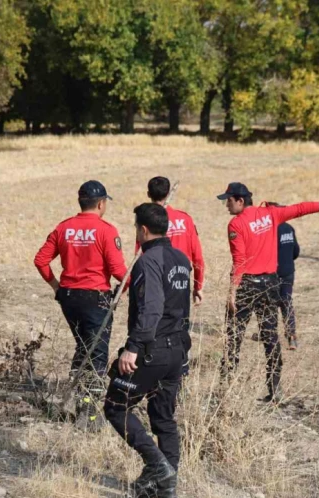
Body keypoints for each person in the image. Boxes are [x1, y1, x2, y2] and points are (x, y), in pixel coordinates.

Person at [217, 182, 319, 402]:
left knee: (233, 336)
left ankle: (226, 389)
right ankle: (275, 389)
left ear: (240, 201)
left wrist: (232, 292)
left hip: (247, 286)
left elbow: (239, 260)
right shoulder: (271, 214)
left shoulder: (236, 224)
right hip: (270, 284)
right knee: (270, 337)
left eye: (229, 201)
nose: (226, 206)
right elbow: (302, 208)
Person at [104, 203, 191, 498]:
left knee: (116, 407)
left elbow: (152, 309)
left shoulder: (148, 260)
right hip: (177, 351)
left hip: (153, 351)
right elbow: (183, 308)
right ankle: (167, 487)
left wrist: (133, 348)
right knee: (163, 418)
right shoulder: (180, 259)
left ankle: (158, 468)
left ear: (142, 230)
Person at [34, 180, 128, 430]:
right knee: (96, 354)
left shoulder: (64, 227)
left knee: (83, 346)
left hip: (69, 297)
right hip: (96, 297)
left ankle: (78, 398)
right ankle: (89, 415)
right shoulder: (106, 230)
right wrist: (131, 283)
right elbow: (119, 272)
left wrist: (56, 286)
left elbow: (41, 260)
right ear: (101, 203)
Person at [142, 176, 204, 376]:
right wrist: (197, 286)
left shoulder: (147, 219)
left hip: (155, 280)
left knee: (154, 325)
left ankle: (153, 369)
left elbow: (141, 255)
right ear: (168, 193)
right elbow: (197, 256)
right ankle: (180, 370)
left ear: (148, 194)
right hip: (180, 281)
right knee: (180, 327)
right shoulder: (185, 219)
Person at [276, 218, 299, 350]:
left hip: (273, 272)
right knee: (287, 303)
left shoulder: (270, 229)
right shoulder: (289, 228)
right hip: (289, 272)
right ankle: (291, 337)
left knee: (270, 304)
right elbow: (296, 251)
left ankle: (268, 335)